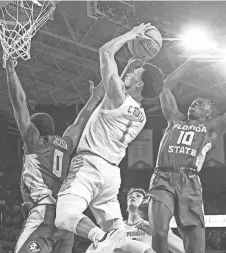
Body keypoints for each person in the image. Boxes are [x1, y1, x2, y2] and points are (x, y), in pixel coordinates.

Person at [55, 23, 164, 253]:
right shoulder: (140, 114)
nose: (132, 72)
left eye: (136, 73)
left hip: (89, 165)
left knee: (64, 216)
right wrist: (129, 69)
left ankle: (98, 238)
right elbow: (114, 91)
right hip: (111, 174)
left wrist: (131, 35)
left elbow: (105, 51)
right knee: (119, 237)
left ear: (140, 84)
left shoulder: (118, 98)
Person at [4, 58, 105, 253]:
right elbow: (81, 120)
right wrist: (95, 97)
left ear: (34, 129)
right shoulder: (66, 144)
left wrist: (10, 73)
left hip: (45, 213)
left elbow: (19, 102)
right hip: (66, 221)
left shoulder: (34, 142)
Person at [147, 57, 226, 253]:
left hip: (190, 182)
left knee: (196, 249)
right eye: (193, 102)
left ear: (209, 114)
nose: (193, 104)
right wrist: (191, 62)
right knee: (159, 232)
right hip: (162, 178)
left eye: (200, 104)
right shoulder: (174, 119)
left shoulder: (213, 128)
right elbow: (165, 88)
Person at [113, 188, 185, 253]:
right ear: (127, 208)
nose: (133, 197)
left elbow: (182, 250)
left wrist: (157, 234)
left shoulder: (154, 225)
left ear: (145, 203)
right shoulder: (117, 227)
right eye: (130, 196)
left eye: (138, 196)